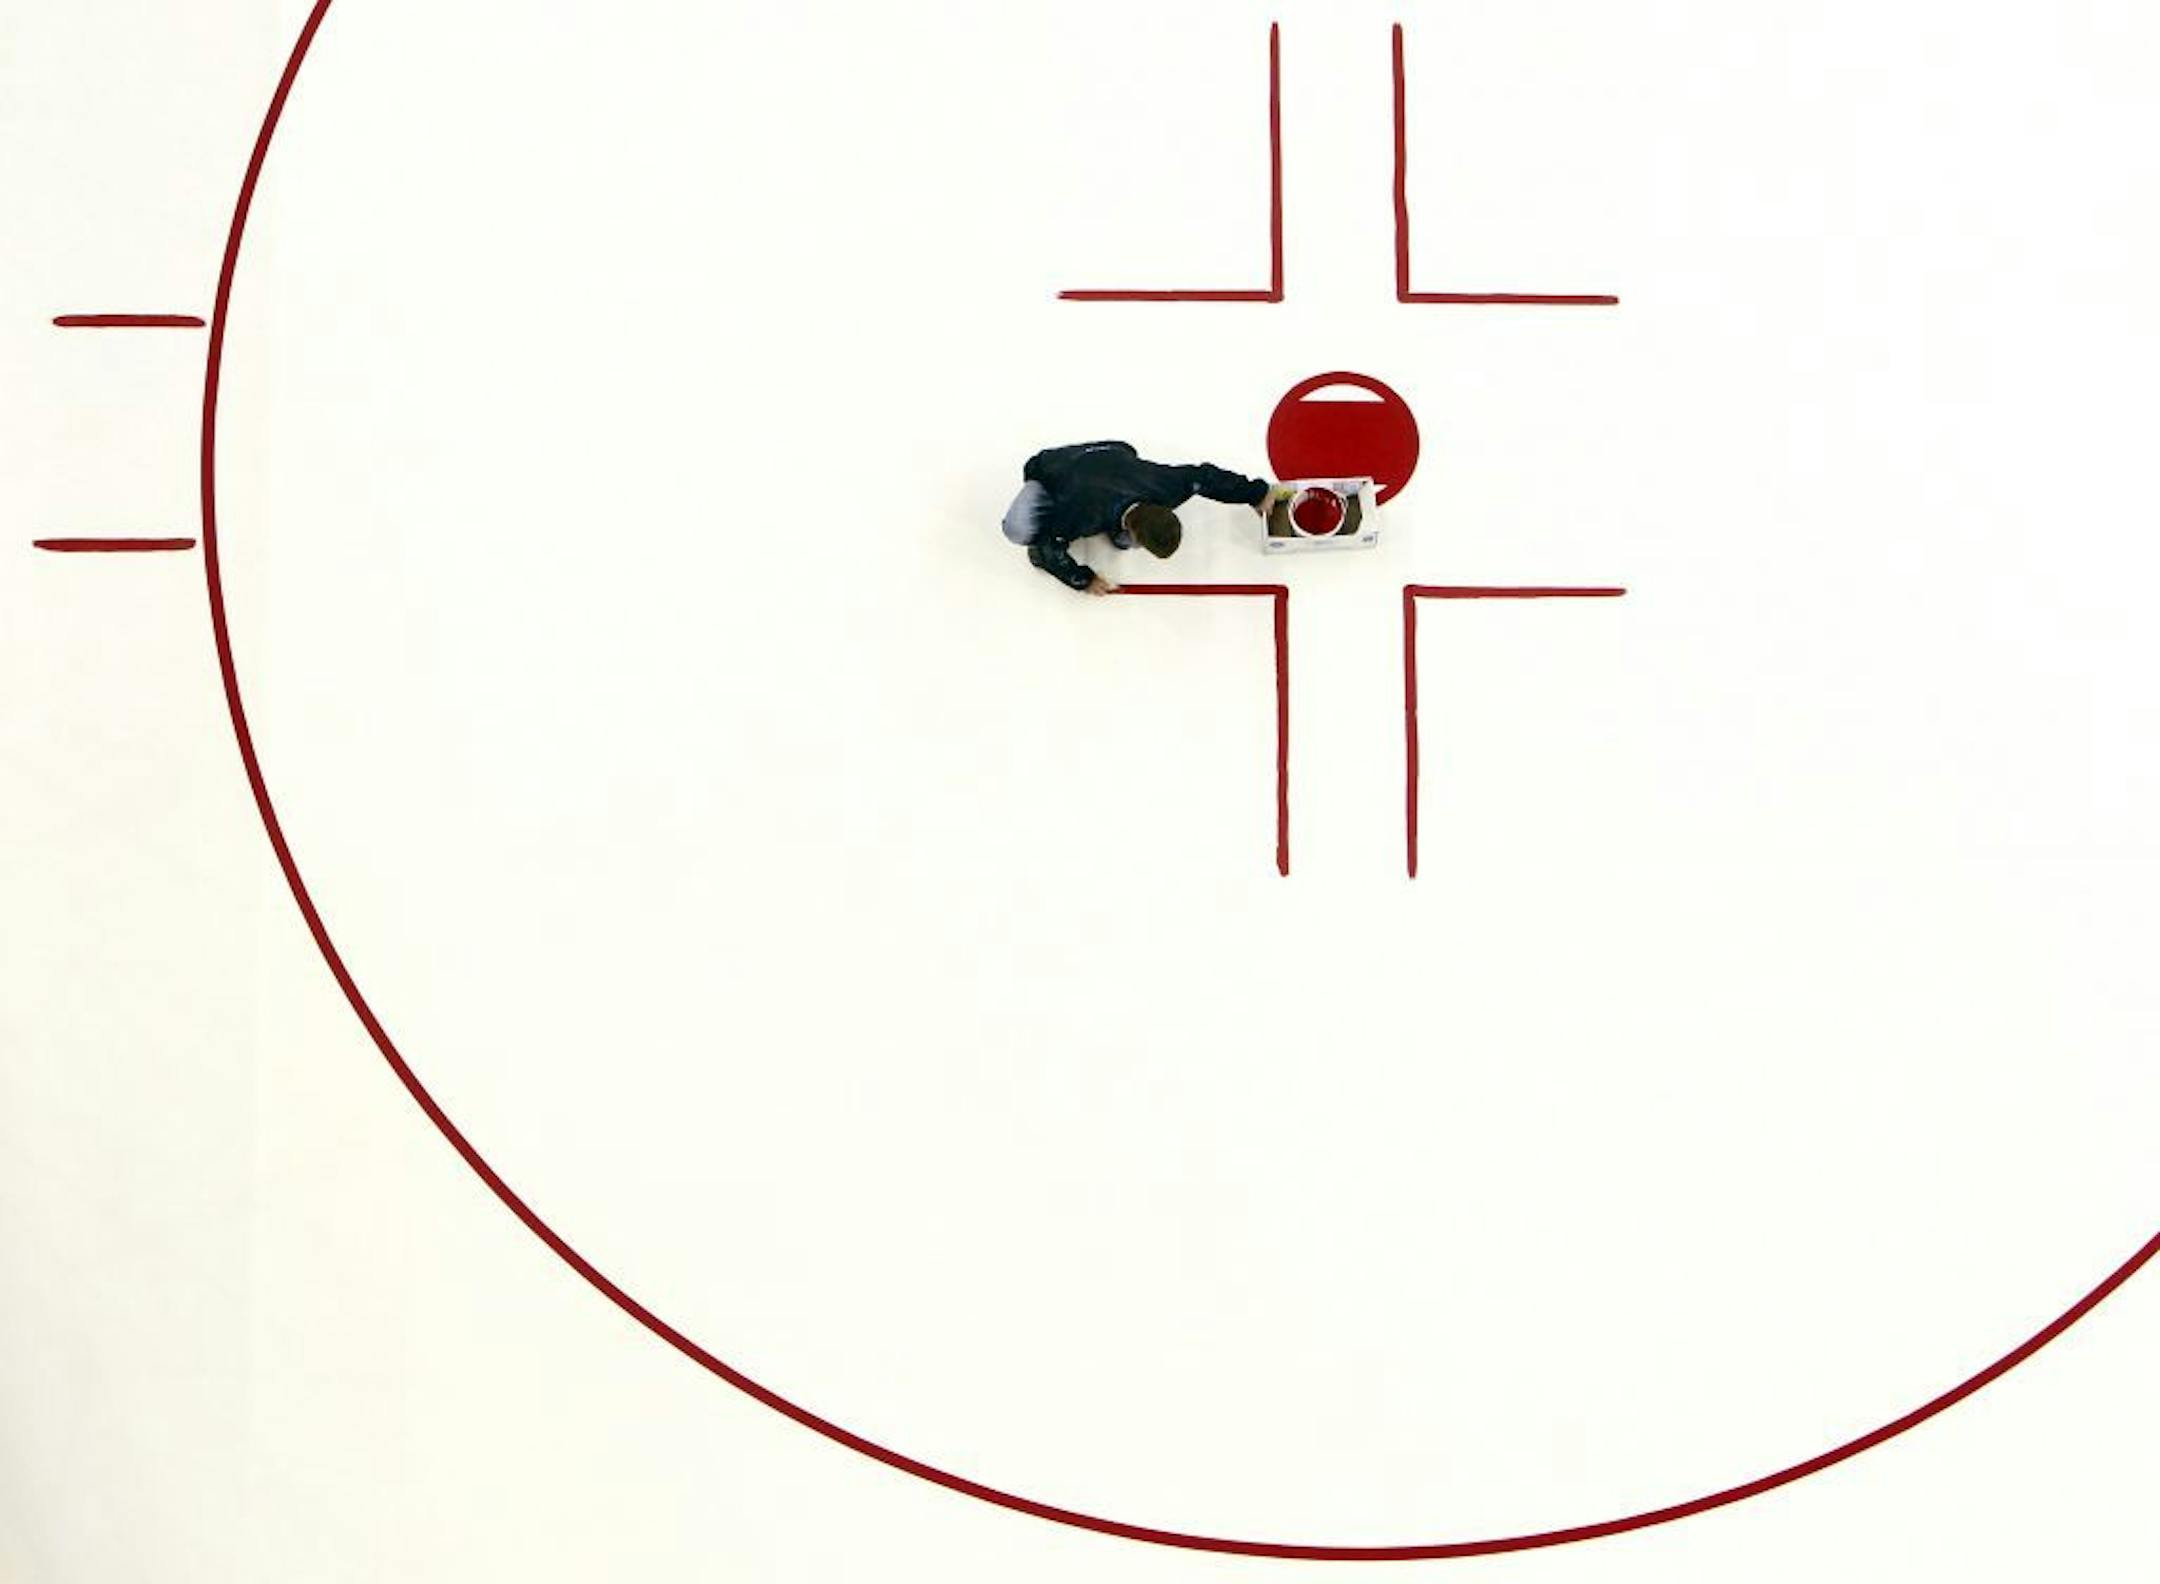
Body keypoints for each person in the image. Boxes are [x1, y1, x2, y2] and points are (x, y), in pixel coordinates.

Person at [1002, 441, 1291, 595]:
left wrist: (1257, 493)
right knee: (1019, 529)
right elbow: (1051, 545)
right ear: (1134, 531)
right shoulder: (1082, 515)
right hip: (1054, 470)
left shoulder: (1168, 486)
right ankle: (1032, 547)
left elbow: (1206, 477)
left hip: (1114, 455)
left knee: (1126, 452)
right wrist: (1083, 579)